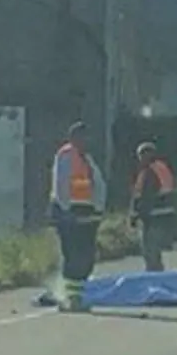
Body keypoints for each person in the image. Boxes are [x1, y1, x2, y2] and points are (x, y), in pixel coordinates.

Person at [49, 122, 106, 312]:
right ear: (73, 137)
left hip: (86, 214)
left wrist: (98, 209)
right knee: (73, 257)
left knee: (86, 257)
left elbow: (97, 185)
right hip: (70, 213)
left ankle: (77, 296)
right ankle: (69, 298)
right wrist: (67, 210)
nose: (86, 140)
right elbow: (61, 184)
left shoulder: (86, 158)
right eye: (82, 136)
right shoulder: (66, 155)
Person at [131, 141, 177, 272]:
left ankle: (154, 275)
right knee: (155, 250)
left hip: (153, 216)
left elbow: (146, 197)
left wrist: (136, 216)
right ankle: (157, 273)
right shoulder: (161, 167)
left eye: (141, 155)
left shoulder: (149, 172)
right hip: (164, 215)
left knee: (150, 250)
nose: (140, 159)